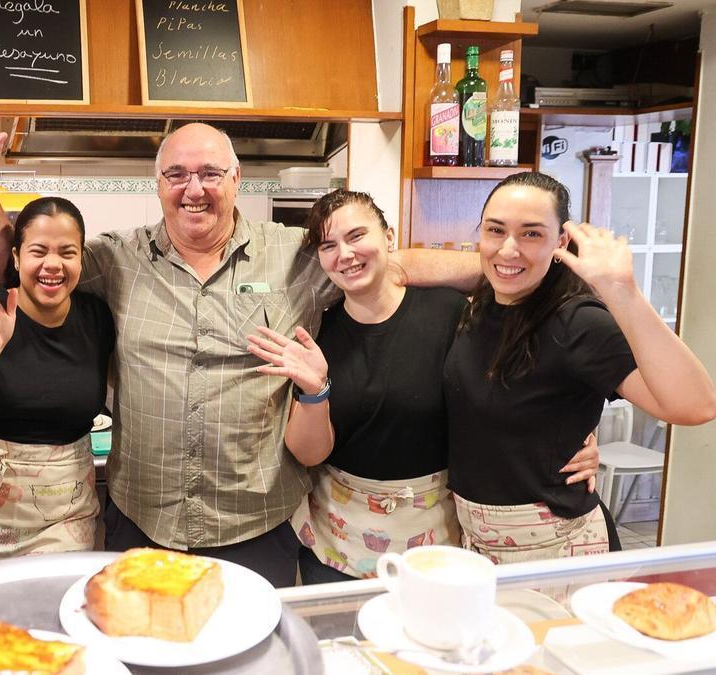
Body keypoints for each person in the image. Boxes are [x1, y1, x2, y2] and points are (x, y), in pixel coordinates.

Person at [0, 96, 481, 587]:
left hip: (256, 525)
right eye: (176, 174)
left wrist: (504, 266)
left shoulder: (295, 256)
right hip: (142, 520)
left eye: (209, 174)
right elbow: (15, 260)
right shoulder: (116, 259)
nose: (193, 189)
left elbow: (384, 263)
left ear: (236, 178)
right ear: (158, 185)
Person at [248, 190, 600, 584]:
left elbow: (516, 383)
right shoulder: (317, 330)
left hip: (438, 536)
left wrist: (574, 431)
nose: (345, 254)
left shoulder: (450, 313)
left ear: (389, 237)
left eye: (357, 236)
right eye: (328, 245)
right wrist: (315, 390)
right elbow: (309, 453)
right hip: (337, 540)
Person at [444, 171, 716, 563]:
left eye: (531, 233)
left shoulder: (578, 322)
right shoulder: (482, 303)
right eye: (495, 230)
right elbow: (404, 265)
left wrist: (623, 292)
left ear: (561, 241)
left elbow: (696, 405)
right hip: (476, 539)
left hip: (554, 543)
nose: (508, 249)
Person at [0, 197, 116, 571]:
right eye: (38, 251)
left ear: (81, 260)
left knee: (58, 610)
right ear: (15, 257)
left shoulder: (97, 319)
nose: (52, 265)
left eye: (67, 252)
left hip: (65, 520)